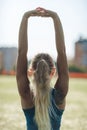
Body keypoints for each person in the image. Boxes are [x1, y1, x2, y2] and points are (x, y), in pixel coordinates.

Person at [16, 7, 69, 130]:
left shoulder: (26, 94)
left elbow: (21, 52)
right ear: (53, 72)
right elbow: (62, 52)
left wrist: (25, 17)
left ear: (30, 71)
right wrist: (55, 17)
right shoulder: (59, 95)